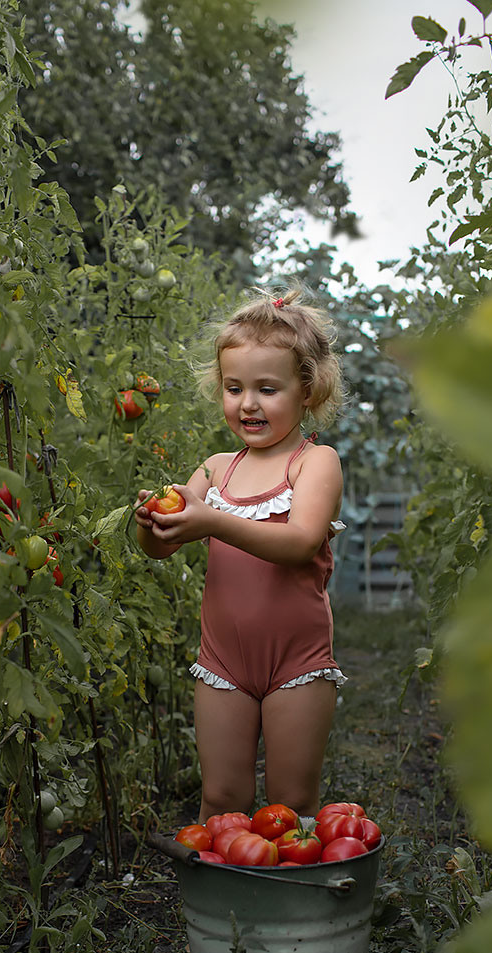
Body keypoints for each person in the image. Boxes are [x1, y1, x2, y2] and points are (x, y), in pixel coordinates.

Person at [135, 288, 346, 824]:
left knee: (290, 806)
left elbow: (300, 542)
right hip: (223, 663)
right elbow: (163, 546)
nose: (248, 403)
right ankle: (226, 904)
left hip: (295, 664)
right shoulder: (214, 470)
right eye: (235, 388)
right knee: (222, 799)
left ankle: (289, 905)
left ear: (309, 389)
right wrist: (152, 526)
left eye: (267, 389)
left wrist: (212, 521)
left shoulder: (314, 463)